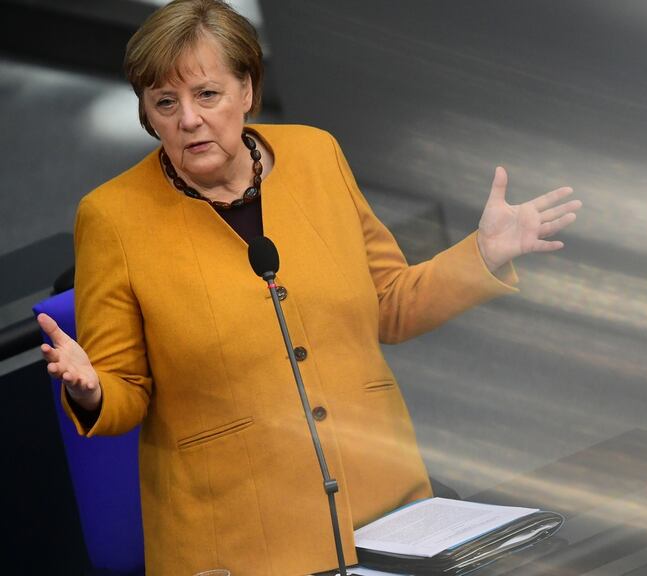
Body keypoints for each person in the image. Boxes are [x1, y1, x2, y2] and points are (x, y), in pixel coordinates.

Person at [35, 1, 581, 574]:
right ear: (148, 114)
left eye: (206, 94)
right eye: (165, 103)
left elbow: (389, 304)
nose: (188, 119)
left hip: (385, 512)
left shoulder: (316, 154)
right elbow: (126, 391)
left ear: (247, 89)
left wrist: (484, 254)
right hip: (236, 544)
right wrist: (92, 389)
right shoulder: (112, 218)